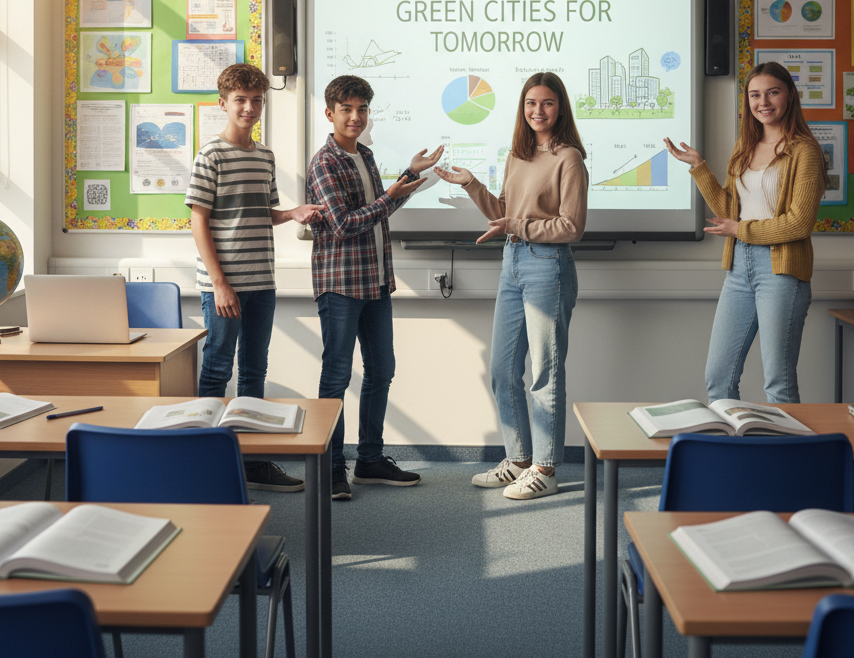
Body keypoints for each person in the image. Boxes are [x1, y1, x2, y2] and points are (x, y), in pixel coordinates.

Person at [435, 72, 587, 500]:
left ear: (561, 108)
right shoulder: (517, 155)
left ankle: (546, 468)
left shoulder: (569, 158)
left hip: (548, 266)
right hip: (513, 262)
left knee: (545, 372)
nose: (538, 111)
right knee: (503, 372)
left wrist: (518, 225)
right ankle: (519, 460)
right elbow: (504, 212)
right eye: (530, 104)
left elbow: (572, 226)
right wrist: (471, 185)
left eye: (547, 104)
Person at [185, 62, 323, 492]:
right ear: (222, 103)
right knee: (216, 368)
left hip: (262, 281)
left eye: (256, 100)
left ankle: (253, 461)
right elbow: (198, 223)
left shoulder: (265, 156)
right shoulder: (210, 155)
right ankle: (205, 460)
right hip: (223, 286)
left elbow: (263, 212)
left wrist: (293, 213)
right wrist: (220, 283)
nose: (249, 107)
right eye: (240, 100)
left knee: (254, 369)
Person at [307, 75, 444, 500]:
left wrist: (408, 177)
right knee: (336, 377)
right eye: (346, 109)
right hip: (341, 284)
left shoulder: (364, 154)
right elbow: (345, 224)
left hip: (375, 282)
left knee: (381, 371)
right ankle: (332, 469)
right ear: (329, 113)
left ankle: (369, 460)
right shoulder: (324, 162)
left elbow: (377, 212)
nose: (355, 116)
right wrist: (392, 194)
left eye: (362, 109)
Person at [664, 60, 825, 404]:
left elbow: (799, 223)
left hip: (781, 271)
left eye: (772, 92)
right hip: (739, 269)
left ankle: (784, 459)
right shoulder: (745, 147)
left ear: (789, 96)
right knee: (718, 379)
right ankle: (735, 457)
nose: (763, 102)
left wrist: (740, 229)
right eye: (755, 95)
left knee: (778, 383)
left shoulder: (805, 151)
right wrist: (698, 167)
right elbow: (728, 211)